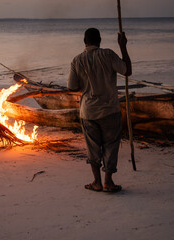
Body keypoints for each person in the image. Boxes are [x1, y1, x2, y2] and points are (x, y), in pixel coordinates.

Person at [67, 28, 132, 193]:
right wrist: (123, 46)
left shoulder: (77, 60)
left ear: (84, 41)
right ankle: (108, 182)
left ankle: (96, 182)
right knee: (111, 145)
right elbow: (127, 71)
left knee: (93, 148)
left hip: (88, 112)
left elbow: (72, 86)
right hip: (110, 110)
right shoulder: (108, 54)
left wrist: (86, 82)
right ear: (100, 40)